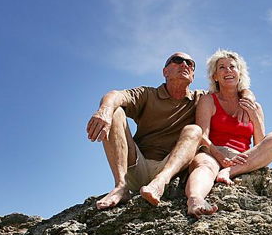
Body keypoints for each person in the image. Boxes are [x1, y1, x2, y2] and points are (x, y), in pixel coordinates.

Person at [86, 51, 256, 210]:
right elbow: (116, 95)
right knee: (115, 111)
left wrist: (248, 95)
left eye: (190, 63)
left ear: (193, 76)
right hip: (137, 164)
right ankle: (121, 187)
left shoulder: (201, 99)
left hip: (170, 170)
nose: (185, 65)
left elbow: (230, 87)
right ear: (165, 71)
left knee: (194, 130)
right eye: (177, 61)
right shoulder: (148, 94)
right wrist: (105, 110)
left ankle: (159, 183)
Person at [185, 49, 272, 218]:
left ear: (240, 73)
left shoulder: (254, 105)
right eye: (222, 68)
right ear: (215, 77)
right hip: (212, 152)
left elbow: (260, 144)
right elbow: (201, 136)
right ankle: (195, 201)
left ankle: (229, 172)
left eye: (232, 67)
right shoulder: (208, 100)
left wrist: (254, 115)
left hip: (242, 158)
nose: (228, 71)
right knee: (204, 166)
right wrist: (219, 156)